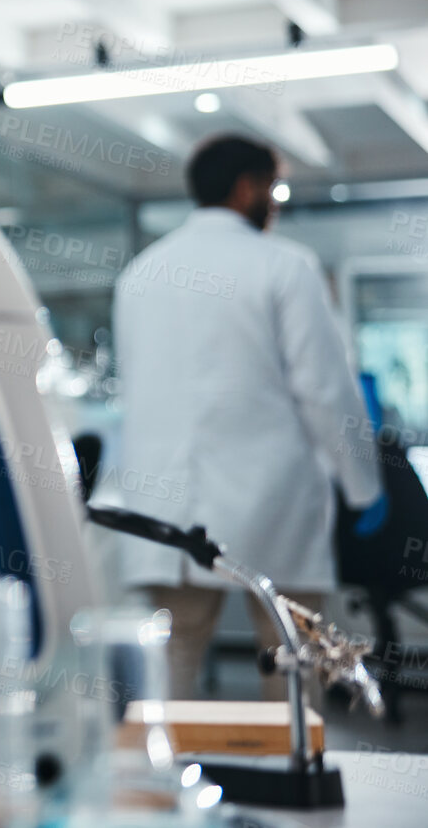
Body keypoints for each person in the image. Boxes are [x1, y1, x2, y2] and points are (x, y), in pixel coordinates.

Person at [99, 134, 384, 700]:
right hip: (272, 504)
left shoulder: (140, 274)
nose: (275, 202)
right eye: (273, 188)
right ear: (246, 187)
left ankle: (166, 784)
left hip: (164, 509)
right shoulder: (285, 267)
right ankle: (291, 780)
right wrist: (363, 488)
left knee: (171, 671)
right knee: (291, 665)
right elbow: (326, 390)